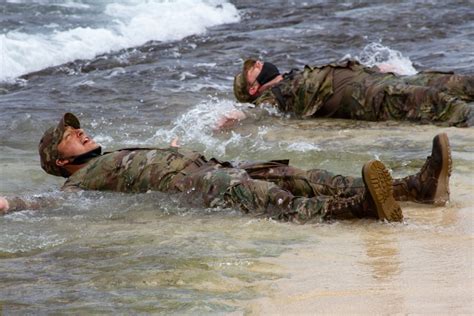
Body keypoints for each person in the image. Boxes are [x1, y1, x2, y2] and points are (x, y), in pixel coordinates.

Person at [0, 113, 452, 224]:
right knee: (278, 203)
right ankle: (360, 209)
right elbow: (35, 203)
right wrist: (7, 202)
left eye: (76, 129)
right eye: (68, 135)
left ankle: (417, 186)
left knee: (304, 176)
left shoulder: (109, 158)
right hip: (202, 187)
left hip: (216, 166)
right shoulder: (78, 187)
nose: (79, 132)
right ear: (61, 162)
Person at [232, 58, 473, 127]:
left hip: (376, 78)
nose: (258, 64)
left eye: (255, 62)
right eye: (251, 69)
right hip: (371, 97)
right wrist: (241, 116)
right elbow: (262, 113)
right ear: (253, 89)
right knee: (439, 102)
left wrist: (374, 68)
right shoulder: (272, 96)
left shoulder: (292, 76)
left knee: (453, 82)